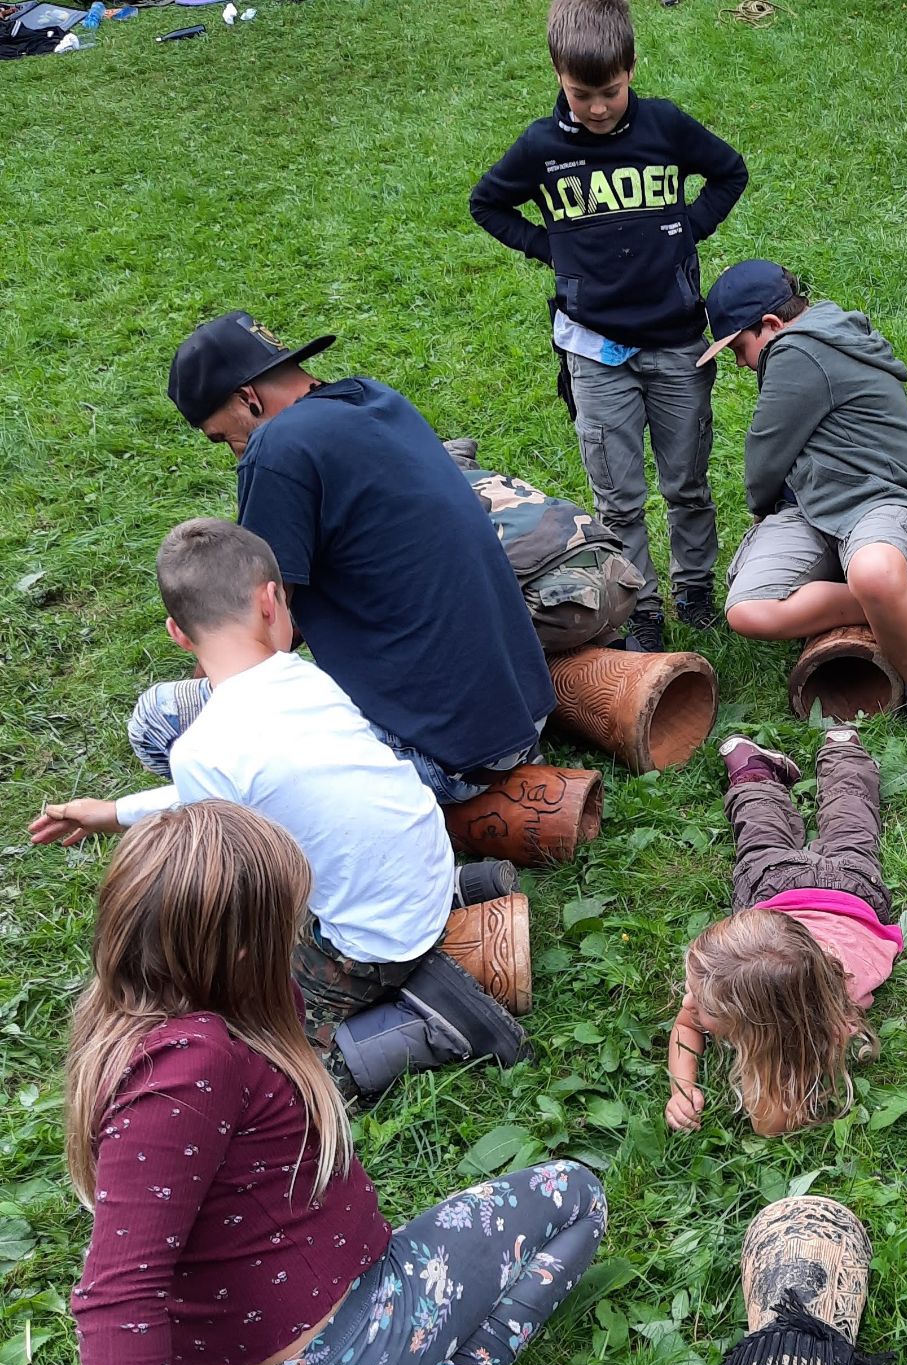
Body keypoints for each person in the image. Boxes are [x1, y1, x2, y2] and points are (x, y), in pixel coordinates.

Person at [64, 800, 607, 1365]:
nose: (308, 934)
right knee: (575, 1194)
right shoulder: (196, 1063)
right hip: (336, 1358)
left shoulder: (125, 1024)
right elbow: (116, 1294)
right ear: (241, 951)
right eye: (295, 922)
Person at [31, 519, 529, 1098]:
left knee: (269, 1054)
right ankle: (465, 892)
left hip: (373, 939)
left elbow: (229, 896)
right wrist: (114, 811)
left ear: (177, 633)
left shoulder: (202, 750)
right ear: (272, 601)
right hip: (426, 862)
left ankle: (436, 1022)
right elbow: (223, 797)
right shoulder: (308, 679)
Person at [164, 310, 557, 805]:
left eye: (224, 437)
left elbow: (253, 632)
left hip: (444, 758)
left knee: (164, 718)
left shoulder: (276, 446)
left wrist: (206, 687)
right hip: (526, 716)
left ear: (249, 399)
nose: (235, 454)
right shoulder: (377, 399)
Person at [470, 0, 747, 653]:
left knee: (686, 482)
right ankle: (641, 605)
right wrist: (551, 248)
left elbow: (728, 171)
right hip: (594, 351)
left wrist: (688, 230)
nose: (597, 108)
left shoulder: (664, 126)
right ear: (558, 74)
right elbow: (487, 202)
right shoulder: (542, 147)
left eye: (610, 92)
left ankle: (695, 591)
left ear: (631, 69)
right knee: (617, 495)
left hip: (678, 340)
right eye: (581, 93)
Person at [700, 261, 907, 734]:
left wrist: (760, 507)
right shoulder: (818, 335)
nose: (740, 362)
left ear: (772, 326)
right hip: (811, 503)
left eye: (740, 347)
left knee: (875, 571)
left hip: (875, 497)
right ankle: (898, 607)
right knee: (746, 609)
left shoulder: (797, 350)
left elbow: (766, 449)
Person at [666, 731, 904, 1136]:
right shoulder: (784, 999)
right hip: (804, 893)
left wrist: (762, 1066)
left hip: (821, 894)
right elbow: (687, 1024)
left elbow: (771, 1125)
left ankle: (795, 762)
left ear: (760, 1027)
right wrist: (681, 1087)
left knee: (832, 831)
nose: (689, 1002)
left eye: (703, 1002)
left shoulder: (830, 1026)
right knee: (785, 836)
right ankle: (835, 752)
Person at [443, 437, 644, 655]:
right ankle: (625, 659)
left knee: (456, 637)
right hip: (623, 581)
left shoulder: (444, 503)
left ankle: (537, 682)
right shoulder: (501, 483)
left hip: (561, 605)